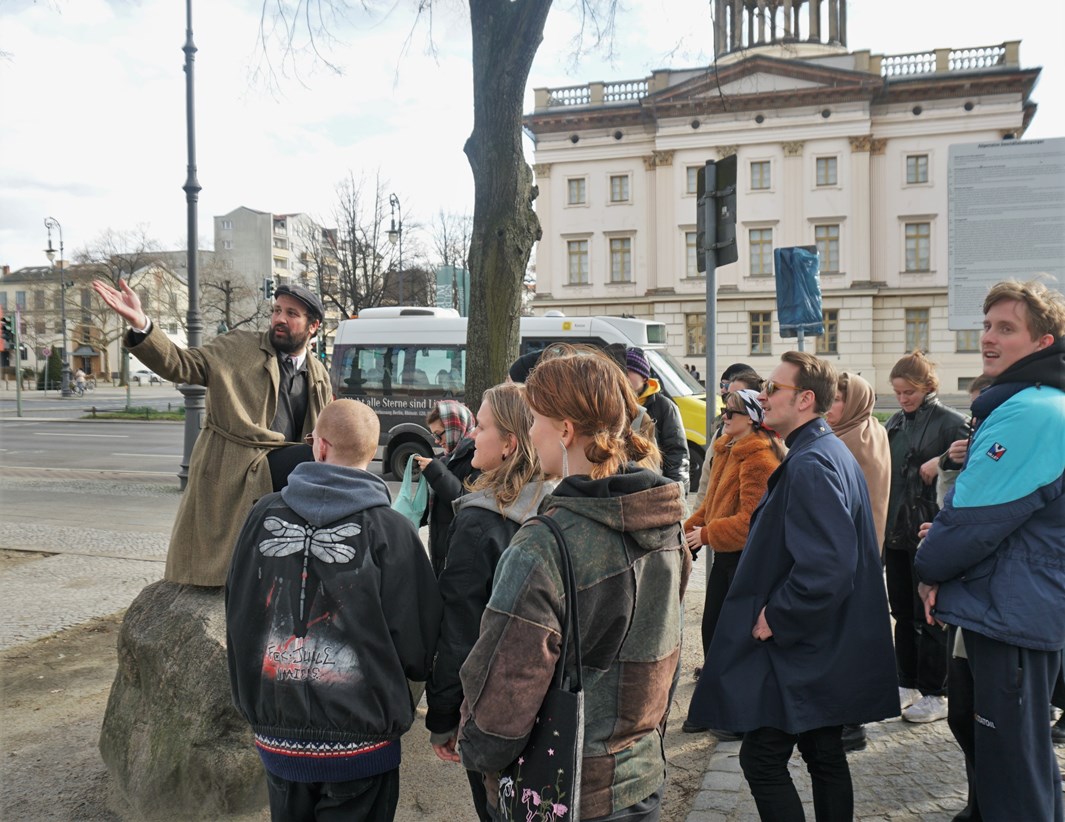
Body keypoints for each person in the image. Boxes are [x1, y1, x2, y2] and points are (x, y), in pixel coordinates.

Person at [458, 345, 690, 821]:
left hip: (567, 787)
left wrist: (476, 753)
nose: (528, 432)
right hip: (642, 777)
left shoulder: (542, 545)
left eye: (534, 419)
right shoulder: (666, 523)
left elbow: (505, 691)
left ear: (564, 430)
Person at [689, 351, 898, 822]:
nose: (762, 396)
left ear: (805, 399)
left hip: (806, 643)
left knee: (760, 760)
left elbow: (827, 567)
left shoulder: (812, 462)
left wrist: (776, 617)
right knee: (824, 755)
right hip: (822, 641)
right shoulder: (820, 449)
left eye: (773, 389)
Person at [225, 399, 442, 822]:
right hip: (363, 743)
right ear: (372, 451)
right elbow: (418, 642)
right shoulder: (391, 531)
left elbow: (239, 614)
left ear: (319, 446)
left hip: (278, 733)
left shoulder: (261, 517)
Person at [915, 279, 1065, 822]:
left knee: (1013, 765)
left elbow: (980, 519)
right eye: (986, 325)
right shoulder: (1020, 403)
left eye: (1007, 329)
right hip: (1005, 599)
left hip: (1015, 609)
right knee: (1003, 749)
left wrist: (930, 567)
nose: (988, 338)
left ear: (1043, 344)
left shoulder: (1033, 411)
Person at [91, 279, 332, 586]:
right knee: (312, 463)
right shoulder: (238, 347)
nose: (280, 319)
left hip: (286, 473)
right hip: (239, 464)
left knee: (328, 467)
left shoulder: (318, 373)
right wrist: (142, 324)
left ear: (313, 327)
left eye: (292, 313)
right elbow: (183, 365)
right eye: (276, 310)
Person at [426, 383, 553, 821]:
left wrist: (442, 715)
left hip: (493, 706)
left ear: (509, 444)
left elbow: (460, 632)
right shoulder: (555, 503)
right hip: (551, 701)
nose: (470, 436)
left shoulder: (481, 522)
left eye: (480, 427)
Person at [682, 388, 785, 736]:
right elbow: (711, 506)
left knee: (736, 640)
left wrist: (707, 534)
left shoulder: (759, 458)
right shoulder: (728, 449)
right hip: (725, 559)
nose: (724, 417)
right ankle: (713, 709)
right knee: (712, 632)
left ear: (752, 419)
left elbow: (751, 522)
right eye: (724, 411)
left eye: (732, 413)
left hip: (745, 560)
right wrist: (687, 530)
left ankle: (738, 717)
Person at [884, 351, 969, 723]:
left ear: (928, 387)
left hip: (930, 530)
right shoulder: (894, 423)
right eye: (898, 392)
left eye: (909, 392)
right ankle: (907, 681)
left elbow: (972, 471)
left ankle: (936, 690)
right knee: (902, 611)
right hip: (896, 532)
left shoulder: (952, 423)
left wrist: (944, 462)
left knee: (931, 614)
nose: (903, 399)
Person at [823, 371, 892, 753]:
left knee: (845, 637)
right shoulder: (869, 429)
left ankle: (850, 722)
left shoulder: (853, 440)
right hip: (863, 551)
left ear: (853, 404)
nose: (829, 407)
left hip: (852, 553)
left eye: (836, 400)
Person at [412, 400, 478, 576]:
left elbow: (464, 500)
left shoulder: (477, 456)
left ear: (454, 428)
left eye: (439, 435)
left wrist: (436, 472)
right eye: (434, 435)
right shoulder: (449, 456)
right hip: (443, 550)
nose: (437, 441)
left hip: (459, 553)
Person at [625, 346, 690, 492]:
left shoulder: (664, 406)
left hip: (652, 485)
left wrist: (676, 491)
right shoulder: (613, 404)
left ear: (644, 376)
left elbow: (677, 453)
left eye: (630, 370)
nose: (625, 376)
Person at [695, 362, 758, 504]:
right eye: (724, 388)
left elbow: (750, 514)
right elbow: (706, 485)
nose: (727, 395)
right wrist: (696, 521)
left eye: (737, 395)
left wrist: (709, 527)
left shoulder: (767, 447)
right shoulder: (720, 436)